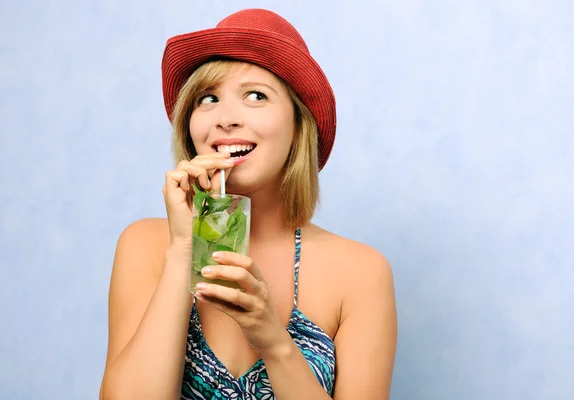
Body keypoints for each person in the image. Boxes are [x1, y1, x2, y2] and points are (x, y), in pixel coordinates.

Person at [99, 8, 397, 400]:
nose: (225, 118)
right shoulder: (145, 245)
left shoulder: (362, 272)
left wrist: (274, 342)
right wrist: (182, 250)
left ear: (298, 125)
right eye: (208, 98)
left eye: (256, 96)